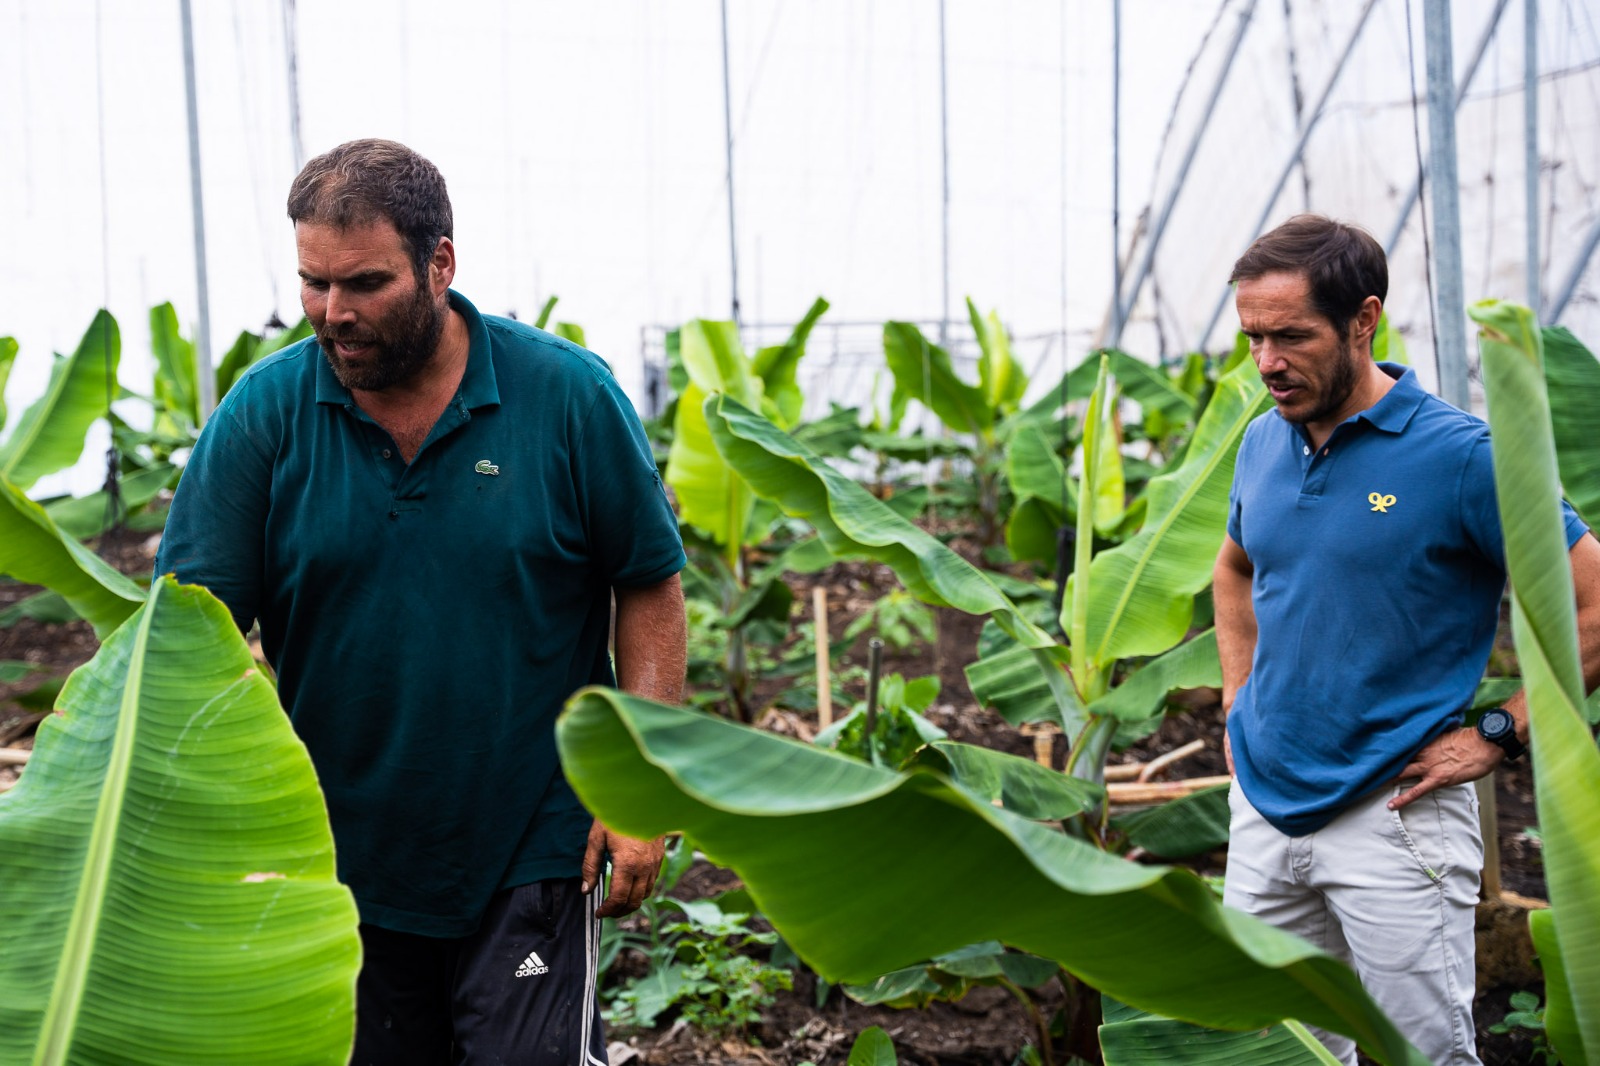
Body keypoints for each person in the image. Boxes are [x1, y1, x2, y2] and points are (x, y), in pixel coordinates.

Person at [156, 138, 687, 1065]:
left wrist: (638, 789)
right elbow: (182, 638)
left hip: (533, 840)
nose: (333, 312)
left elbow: (647, 583)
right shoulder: (264, 415)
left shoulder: (564, 398)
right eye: (313, 283)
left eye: (363, 282)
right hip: (336, 855)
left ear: (440, 262)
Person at [1212, 214, 1600, 1065]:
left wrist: (1501, 733)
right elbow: (1233, 569)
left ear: (1364, 320)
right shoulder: (1261, 443)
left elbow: (1595, 601)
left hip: (1396, 818)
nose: (1268, 362)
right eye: (1252, 338)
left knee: (1419, 1054)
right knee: (1282, 1051)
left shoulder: (1462, 458)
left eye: (1291, 336)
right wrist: (1239, 694)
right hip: (1264, 811)